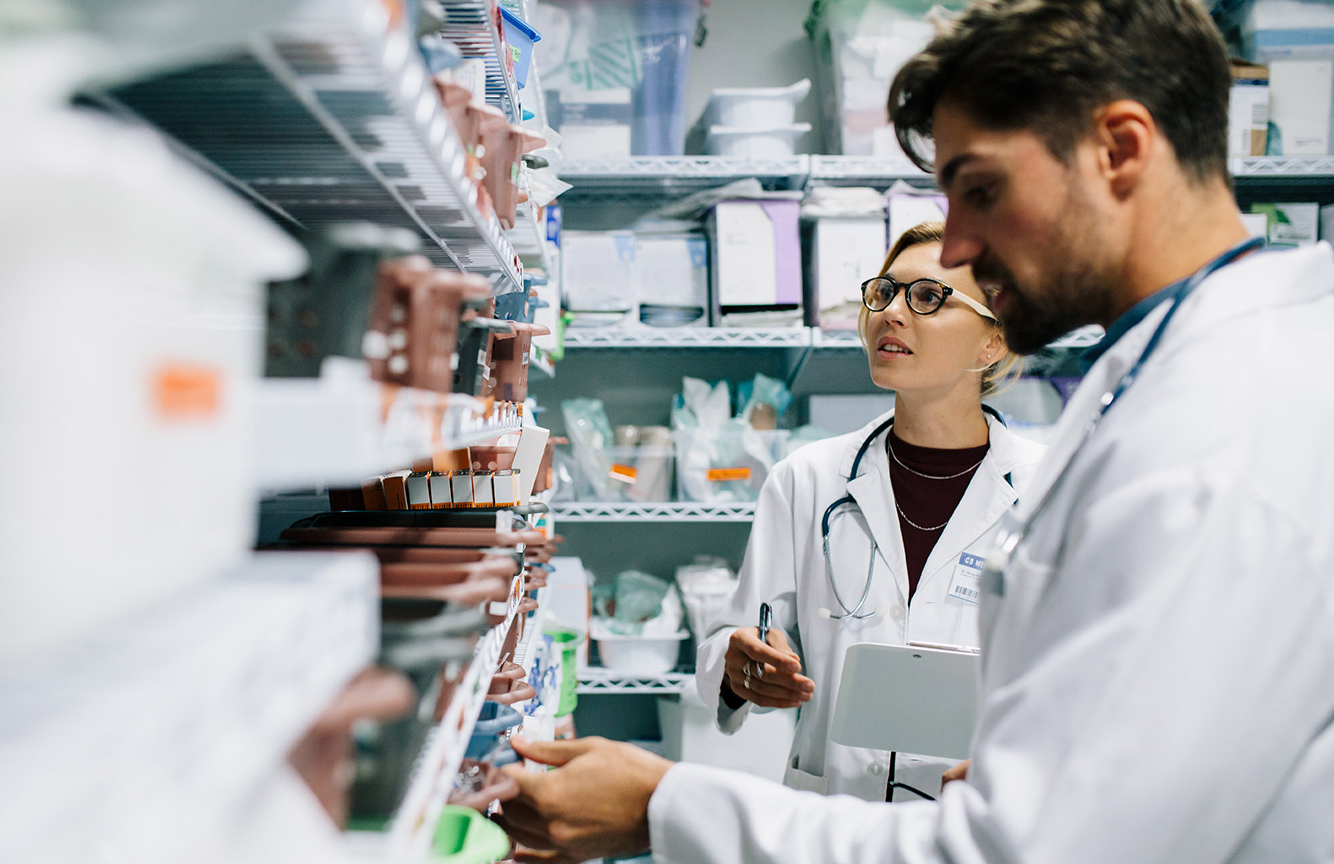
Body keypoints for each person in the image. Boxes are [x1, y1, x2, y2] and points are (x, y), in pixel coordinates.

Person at [496, 1, 1334, 861]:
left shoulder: (1220, 438)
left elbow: (1031, 850)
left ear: (1119, 150)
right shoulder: (1173, 383)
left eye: (979, 190)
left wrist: (663, 806)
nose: (961, 243)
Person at [696, 220, 1044, 802]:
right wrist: (740, 668)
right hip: (835, 814)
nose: (892, 313)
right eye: (884, 291)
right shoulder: (806, 480)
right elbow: (728, 645)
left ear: (993, 342)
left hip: (974, 819)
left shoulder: (1047, 492)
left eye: (928, 297)